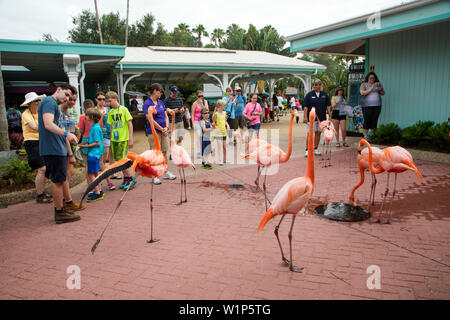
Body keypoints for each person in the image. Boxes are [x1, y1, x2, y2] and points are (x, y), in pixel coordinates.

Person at [38, 84, 81, 224]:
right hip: (53, 149)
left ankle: (62, 208)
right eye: (66, 94)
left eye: (70, 96)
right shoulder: (49, 102)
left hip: (57, 149)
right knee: (57, 181)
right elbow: (48, 124)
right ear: (58, 89)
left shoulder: (53, 104)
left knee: (61, 179)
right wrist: (66, 134)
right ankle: (59, 212)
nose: (67, 98)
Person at [20, 92, 52, 203]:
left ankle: (42, 192)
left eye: (39, 100)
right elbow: (34, 127)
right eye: (36, 101)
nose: (38, 102)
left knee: (46, 168)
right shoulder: (26, 114)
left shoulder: (40, 113)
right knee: (42, 168)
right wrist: (48, 126)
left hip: (42, 141)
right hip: (32, 143)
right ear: (29, 104)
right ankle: (40, 195)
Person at [143, 83, 176, 185]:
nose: (161, 93)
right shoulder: (147, 103)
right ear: (155, 91)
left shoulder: (161, 102)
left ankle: (165, 172)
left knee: (164, 151)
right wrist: (161, 128)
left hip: (163, 131)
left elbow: (165, 115)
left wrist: (166, 127)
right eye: (160, 91)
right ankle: (154, 175)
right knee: (155, 153)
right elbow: (150, 119)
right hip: (153, 132)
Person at [105, 91, 136, 190]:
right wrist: (111, 138)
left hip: (123, 139)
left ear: (115, 99)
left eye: (110, 101)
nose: (108, 103)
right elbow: (111, 126)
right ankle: (126, 178)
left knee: (122, 160)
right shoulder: (111, 112)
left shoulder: (124, 109)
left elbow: (130, 123)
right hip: (115, 139)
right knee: (118, 160)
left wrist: (130, 138)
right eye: (107, 101)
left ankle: (130, 178)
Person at [79, 108, 104, 202]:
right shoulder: (94, 127)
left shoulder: (95, 128)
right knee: (96, 172)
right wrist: (83, 143)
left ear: (91, 117)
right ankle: (99, 190)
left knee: (90, 173)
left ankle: (97, 192)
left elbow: (97, 143)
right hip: (95, 154)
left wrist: (85, 146)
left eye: (87, 115)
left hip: (93, 154)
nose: (85, 116)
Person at [303, 78, 331, 157]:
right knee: (309, 134)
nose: (314, 86)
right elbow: (305, 107)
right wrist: (305, 117)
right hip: (311, 118)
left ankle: (315, 149)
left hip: (322, 118)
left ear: (319, 85)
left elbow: (328, 106)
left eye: (316, 84)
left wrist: (330, 115)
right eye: (313, 85)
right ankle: (307, 150)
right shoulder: (309, 95)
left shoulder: (325, 95)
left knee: (318, 133)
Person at [95, 91, 115, 190]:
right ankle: (103, 174)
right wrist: (101, 117)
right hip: (100, 135)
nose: (102, 101)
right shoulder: (94, 110)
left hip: (109, 134)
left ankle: (109, 173)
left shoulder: (108, 109)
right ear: (96, 100)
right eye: (100, 99)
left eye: (104, 99)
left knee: (110, 155)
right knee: (104, 156)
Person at [360, 72, 385, 141]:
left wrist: (380, 89)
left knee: (374, 120)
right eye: (370, 78)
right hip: (366, 106)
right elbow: (362, 93)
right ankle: (365, 136)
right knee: (367, 120)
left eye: (373, 78)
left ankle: (372, 135)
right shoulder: (364, 84)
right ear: (367, 78)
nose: (372, 79)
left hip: (377, 105)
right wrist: (371, 88)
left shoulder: (378, 84)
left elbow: (383, 93)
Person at [191, 90, 209, 159]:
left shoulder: (205, 102)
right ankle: (199, 151)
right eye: (199, 96)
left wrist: (202, 104)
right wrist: (193, 123)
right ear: (196, 97)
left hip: (203, 121)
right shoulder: (194, 104)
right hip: (196, 121)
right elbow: (192, 114)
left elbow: (206, 110)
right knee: (198, 135)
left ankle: (204, 150)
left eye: (202, 96)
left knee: (205, 136)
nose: (201, 97)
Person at [212, 99, 229, 165]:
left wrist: (227, 125)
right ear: (220, 106)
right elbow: (213, 124)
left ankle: (225, 159)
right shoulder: (215, 114)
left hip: (224, 132)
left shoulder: (225, 113)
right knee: (220, 147)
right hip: (218, 133)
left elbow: (225, 121)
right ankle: (220, 160)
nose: (225, 106)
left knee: (224, 147)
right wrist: (216, 128)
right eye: (224, 105)